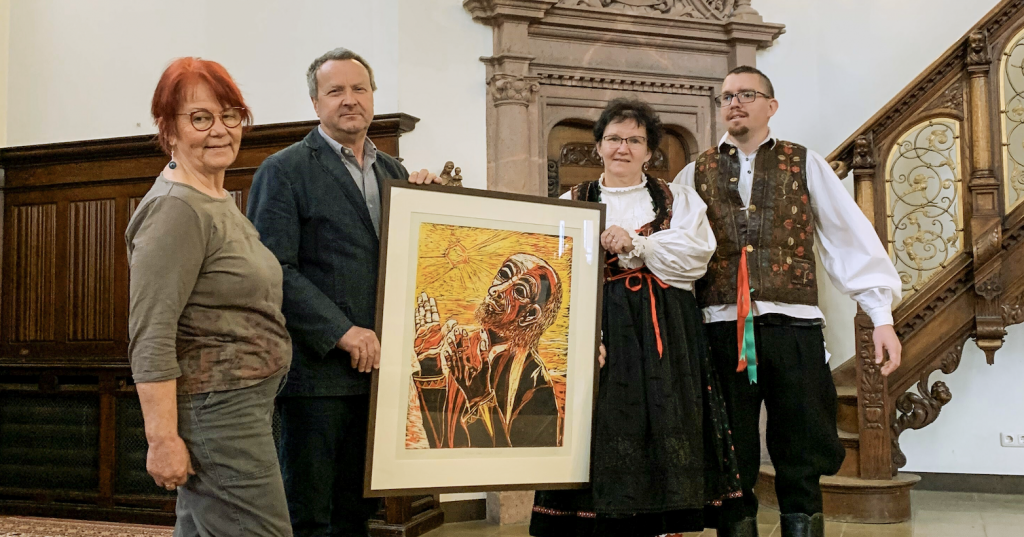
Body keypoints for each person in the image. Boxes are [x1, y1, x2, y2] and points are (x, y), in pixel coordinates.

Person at [674, 65, 904, 537]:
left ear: (770, 106)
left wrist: (881, 315)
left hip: (793, 327)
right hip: (718, 328)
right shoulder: (693, 172)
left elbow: (849, 240)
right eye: (726, 97)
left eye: (746, 94)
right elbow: (678, 251)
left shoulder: (805, 163)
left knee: (801, 446)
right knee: (728, 449)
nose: (734, 103)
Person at [246, 47, 437, 537]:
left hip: (383, 376)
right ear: (315, 102)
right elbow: (272, 269)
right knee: (311, 514)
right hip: (318, 376)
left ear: (373, 97)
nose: (349, 100)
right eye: (336, 91)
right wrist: (340, 331)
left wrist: (436, 203)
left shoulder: (395, 173)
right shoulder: (284, 169)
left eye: (359, 89)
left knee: (357, 512)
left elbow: (417, 263)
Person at [529, 97, 742, 537]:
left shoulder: (678, 197)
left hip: (667, 327)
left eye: (634, 140)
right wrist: (583, 337)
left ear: (649, 151)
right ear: (599, 146)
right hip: (602, 328)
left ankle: (664, 523)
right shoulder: (573, 201)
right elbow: (557, 275)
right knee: (604, 421)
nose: (622, 148)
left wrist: (637, 246)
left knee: (667, 417)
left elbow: (696, 257)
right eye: (613, 139)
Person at [126, 57, 292, 537]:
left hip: (241, 405)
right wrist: (162, 439)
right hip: (218, 412)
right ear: (169, 130)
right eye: (200, 118)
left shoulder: (214, 198)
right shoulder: (175, 210)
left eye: (230, 115)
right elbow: (150, 335)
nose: (219, 130)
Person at [411, 253, 563, 449]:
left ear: (530, 314)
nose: (497, 290)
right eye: (503, 275)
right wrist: (430, 364)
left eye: (518, 291)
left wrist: (480, 397)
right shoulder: (464, 347)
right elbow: (441, 441)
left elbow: (523, 466)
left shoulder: (535, 383)